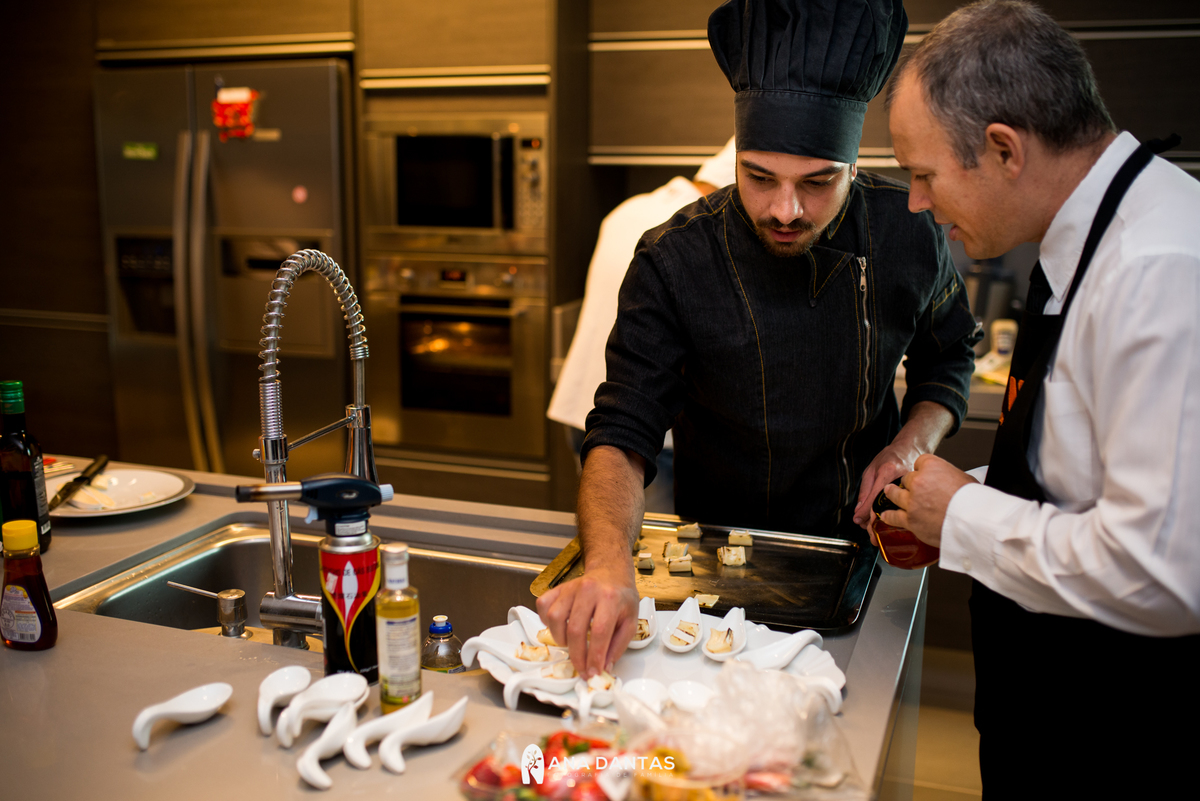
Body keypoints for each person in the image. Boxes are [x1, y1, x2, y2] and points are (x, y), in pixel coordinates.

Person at [539, 0, 980, 678]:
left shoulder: (908, 231)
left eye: (817, 182)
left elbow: (947, 356)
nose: (785, 209)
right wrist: (606, 561)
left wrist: (910, 444)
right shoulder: (673, 259)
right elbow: (623, 431)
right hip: (717, 570)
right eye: (759, 177)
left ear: (854, 165)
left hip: (867, 555)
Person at [881, 1, 1200, 795]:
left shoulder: (1157, 268)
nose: (917, 203)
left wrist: (965, 516)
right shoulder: (1085, 238)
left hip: (1118, 731)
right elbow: (1086, 474)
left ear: (1003, 149)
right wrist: (953, 505)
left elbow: (1160, 571)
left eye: (924, 174)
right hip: (1047, 707)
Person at [547, 138, 738, 512]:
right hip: (646, 430)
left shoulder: (629, 209)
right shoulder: (698, 237)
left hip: (582, 408)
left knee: (606, 524)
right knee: (650, 541)